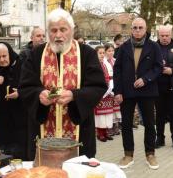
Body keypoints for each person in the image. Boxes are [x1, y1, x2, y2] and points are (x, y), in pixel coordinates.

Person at [18, 8, 107, 159]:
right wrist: (39, 95)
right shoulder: (36, 54)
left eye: (63, 29)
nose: (58, 35)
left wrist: (74, 96)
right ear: (48, 32)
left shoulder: (86, 53)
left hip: (79, 130)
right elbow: (25, 86)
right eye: (53, 30)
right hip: (43, 129)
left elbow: (98, 86)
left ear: (71, 30)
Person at [113, 17, 163, 169]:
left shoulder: (154, 46)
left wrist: (146, 79)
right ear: (131, 29)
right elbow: (117, 70)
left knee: (149, 123)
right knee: (127, 124)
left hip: (147, 90)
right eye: (135, 28)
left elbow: (158, 67)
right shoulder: (124, 47)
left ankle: (150, 154)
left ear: (146, 28)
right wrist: (118, 91)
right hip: (127, 91)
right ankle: (128, 155)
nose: (137, 30)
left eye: (140, 28)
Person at [104, 44, 121, 137]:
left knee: (116, 109)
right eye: (109, 51)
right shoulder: (103, 62)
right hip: (108, 87)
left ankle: (115, 125)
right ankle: (108, 128)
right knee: (108, 110)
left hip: (116, 85)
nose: (111, 53)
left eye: (112, 51)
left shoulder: (115, 61)